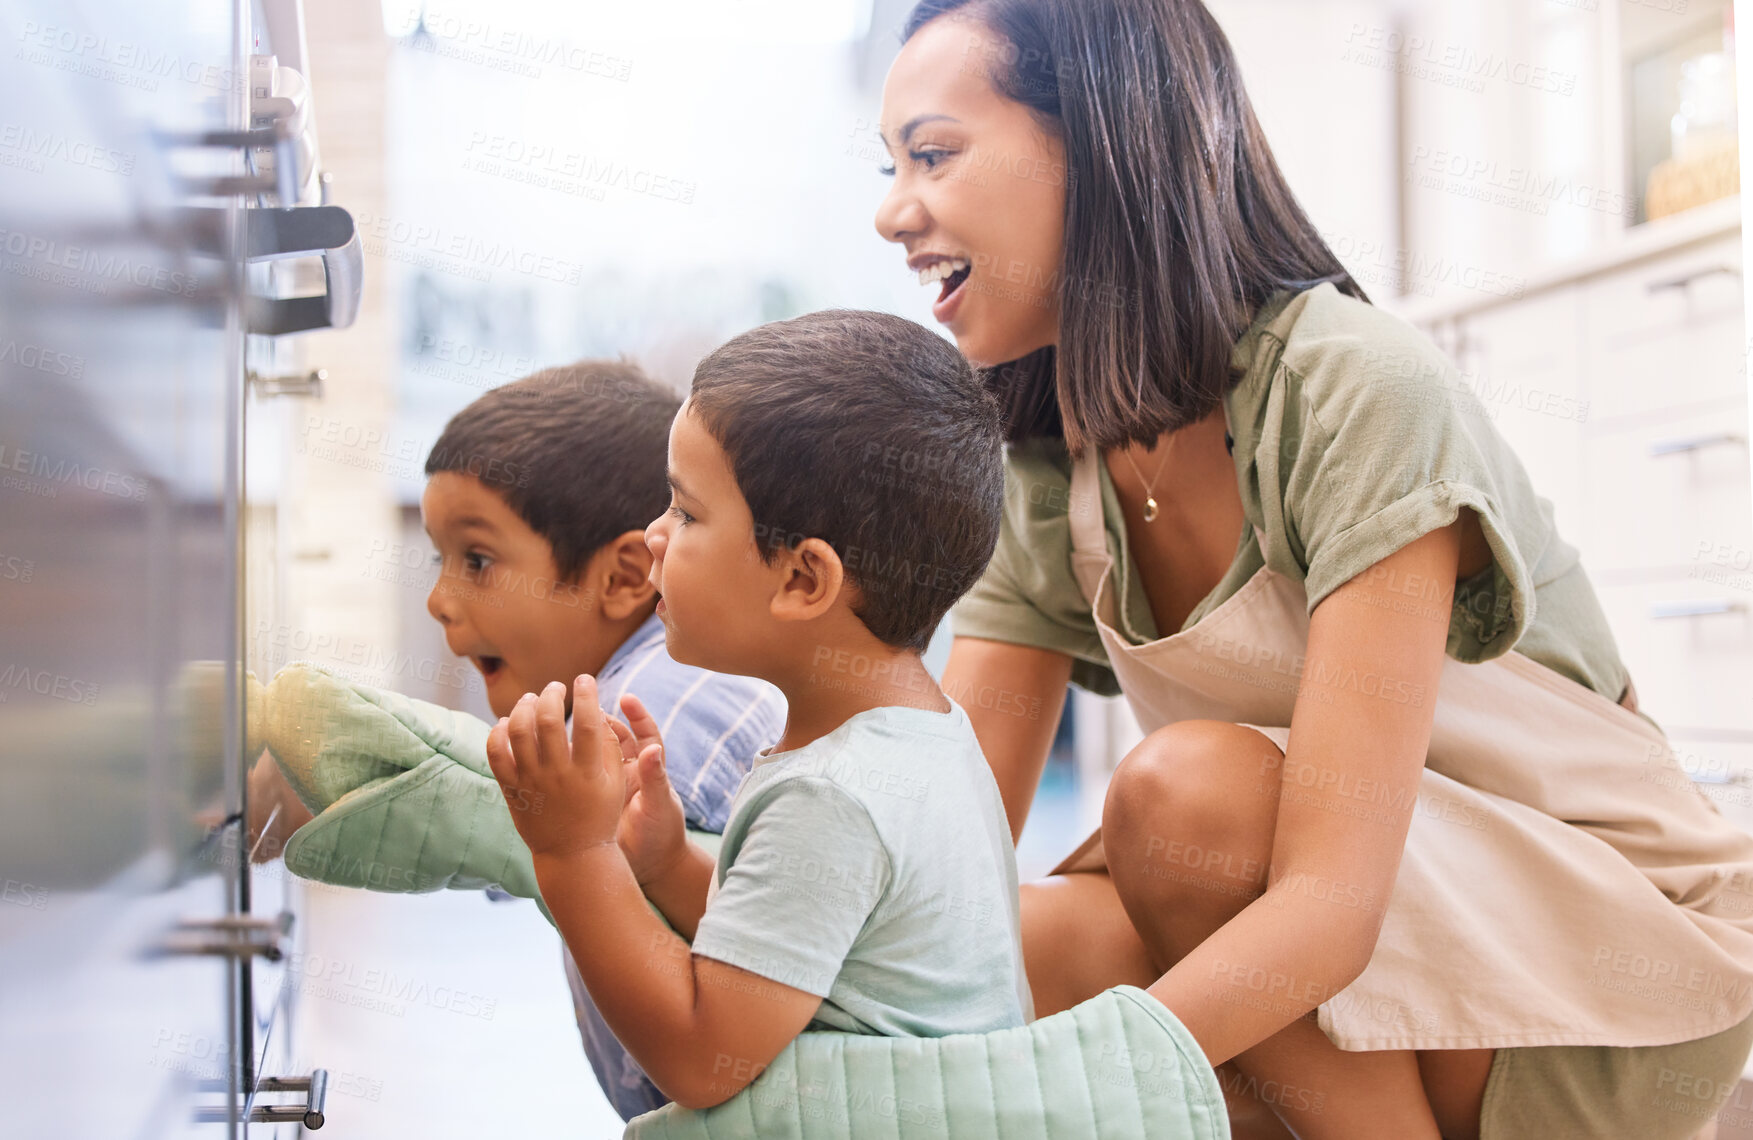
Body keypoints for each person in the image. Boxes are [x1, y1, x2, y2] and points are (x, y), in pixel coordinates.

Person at [872, 1, 1753, 1137]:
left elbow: (1330, 908)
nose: (893, 211)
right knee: (1010, 954)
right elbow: (953, 855)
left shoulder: (1350, 385)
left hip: (1604, 962)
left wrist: (1062, 1086)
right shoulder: (1048, 463)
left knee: (1179, 797)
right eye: (891, 164)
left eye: (933, 154)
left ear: (1103, 141)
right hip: (1381, 949)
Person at [485, 309, 1032, 1109]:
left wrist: (572, 853)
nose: (653, 535)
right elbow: (797, 950)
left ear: (803, 581)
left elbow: (701, 1058)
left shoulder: (829, 796)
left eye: (685, 512)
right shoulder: (924, 740)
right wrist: (669, 865)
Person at [248, 360, 786, 1121]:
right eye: (440, 562)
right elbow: (500, 830)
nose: (439, 601)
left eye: (477, 560)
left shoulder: (659, 705)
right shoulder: (622, 701)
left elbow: (622, 866)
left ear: (624, 576)